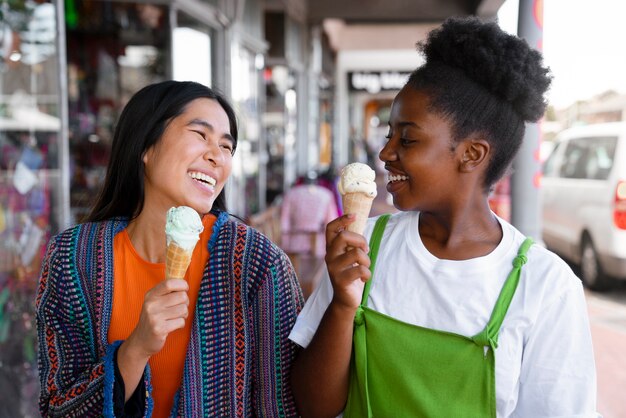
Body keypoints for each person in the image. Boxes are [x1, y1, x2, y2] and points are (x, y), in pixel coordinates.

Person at [289, 17, 600, 418]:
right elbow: (313, 406)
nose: (386, 153)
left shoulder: (543, 286)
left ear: (471, 154)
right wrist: (343, 305)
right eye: (389, 135)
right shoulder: (362, 246)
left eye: (408, 138)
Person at [36, 80, 304, 417]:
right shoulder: (73, 258)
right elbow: (55, 408)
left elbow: (280, 405)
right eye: (200, 135)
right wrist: (135, 350)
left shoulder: (255, 262)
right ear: (145, 147)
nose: (216, 156)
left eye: (226, 146)